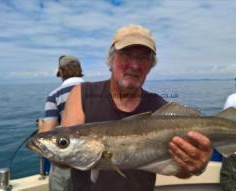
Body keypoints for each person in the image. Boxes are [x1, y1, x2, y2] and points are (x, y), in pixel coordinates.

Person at [61, 24, 213, 191]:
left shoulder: (161, 109)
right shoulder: (83, 94)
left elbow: (178, 171)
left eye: (143, 57)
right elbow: (64, 156)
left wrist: (195, 166)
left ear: (150, 65)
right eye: (126, 54)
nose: (134, 65)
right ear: (111, 59)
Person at [40, 55, 84, 191]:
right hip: (92, 160)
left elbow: (45, 134)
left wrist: (41, 126)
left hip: (66, 161)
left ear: (61, 72)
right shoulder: (96, 91)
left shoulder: (55, 95)